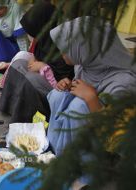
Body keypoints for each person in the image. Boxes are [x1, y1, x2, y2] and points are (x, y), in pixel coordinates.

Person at [47, 16, 136, 156]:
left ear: (85, 48)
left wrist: (92, 99)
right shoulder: (85, 66)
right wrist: (69, 86)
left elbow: (117, 136)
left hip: (108, 153)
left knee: (80, 106)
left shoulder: (124, 83)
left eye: (66, 48)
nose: (62, 54)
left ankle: (81, 171)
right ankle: (53, 155)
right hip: (80, 139)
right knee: (58, 95)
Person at [0, 1, 74, 123]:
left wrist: (43, 66)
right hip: (43, 74)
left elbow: (64, 78)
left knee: (31, 79)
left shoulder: (63, 43)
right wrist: (36, 61)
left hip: (56, 89)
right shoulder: (44, 38)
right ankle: (9, 107)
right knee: (17, 65)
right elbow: (37, 56)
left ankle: (22, 119)